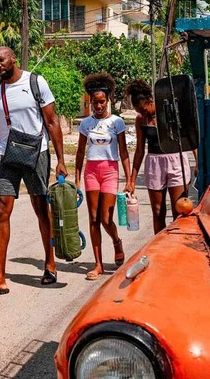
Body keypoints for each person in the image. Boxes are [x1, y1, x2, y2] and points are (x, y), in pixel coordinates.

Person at [0, 47, 68, 296]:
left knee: (41, 209)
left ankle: (50, 263)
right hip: (6, 154)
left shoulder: (36, 83)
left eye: (1, 60)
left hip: (36, 153)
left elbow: (51, 121)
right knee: (1, 209)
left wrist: (60, 159)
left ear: (13, 58)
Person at [74, 73, 131, 281]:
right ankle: (97, 264)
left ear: (107, 101)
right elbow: (80, 152)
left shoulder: (117, 123)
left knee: (106, 218)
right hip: (91, 171)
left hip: (110, 171)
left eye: (101, 102)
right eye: (94, 102)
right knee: (93, 218)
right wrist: (77, 178)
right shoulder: (85, 124)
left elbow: (123, 152)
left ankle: (116, 241)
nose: (98, 106)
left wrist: (130, 180)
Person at [126, 79, 197, 234]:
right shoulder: (141, 121)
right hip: (154, 164)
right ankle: (160, 248)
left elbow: (190, 138)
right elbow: (139, 151)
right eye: (139, 111)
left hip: (176, 160)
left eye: (144, 110)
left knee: (180, 210)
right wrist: (132, 180)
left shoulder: (171, 112)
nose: (142, 114)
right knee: (158, 212)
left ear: (151, 101)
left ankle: (179, 247)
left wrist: (198, 161)